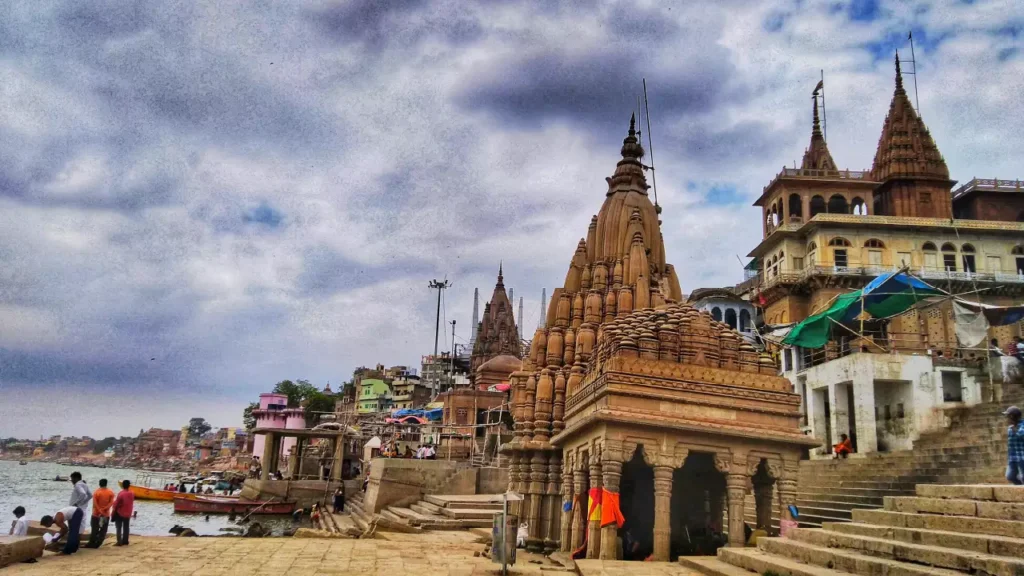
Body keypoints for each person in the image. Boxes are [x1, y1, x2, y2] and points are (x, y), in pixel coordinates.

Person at [85, 479, 114, 548]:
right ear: (106, 484)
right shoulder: (110, 492)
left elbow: (95, 504)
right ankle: (98, 542)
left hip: (96, 514)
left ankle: (92, 543)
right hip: (105, 514)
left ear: (99, 484)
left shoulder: (97, 492)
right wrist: (104, 509)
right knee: (103, 529)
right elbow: (111, 503)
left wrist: (100, 510)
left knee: (94, 529)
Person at [112, 480, 135, 546]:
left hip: (120, 512)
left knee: (118, 527)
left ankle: (119, 541)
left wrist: (113, 511)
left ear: (122, 486)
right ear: (129, 485)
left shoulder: (121, 494)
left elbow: (116, 504)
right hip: (128, 512)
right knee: (126, 527)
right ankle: (125, 540)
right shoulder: (132, 493)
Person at [1005, 406, 1024, 485]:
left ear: (1013, 417)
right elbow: (1010, 444)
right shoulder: (1010, 428)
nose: (1007, 418)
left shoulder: (1022, 425)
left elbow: (1022, 435)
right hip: (1013, 457)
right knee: (1010, 476)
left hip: (1022, 456)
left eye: (1008, 416)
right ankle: (1020, 487)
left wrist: (1015, 429)